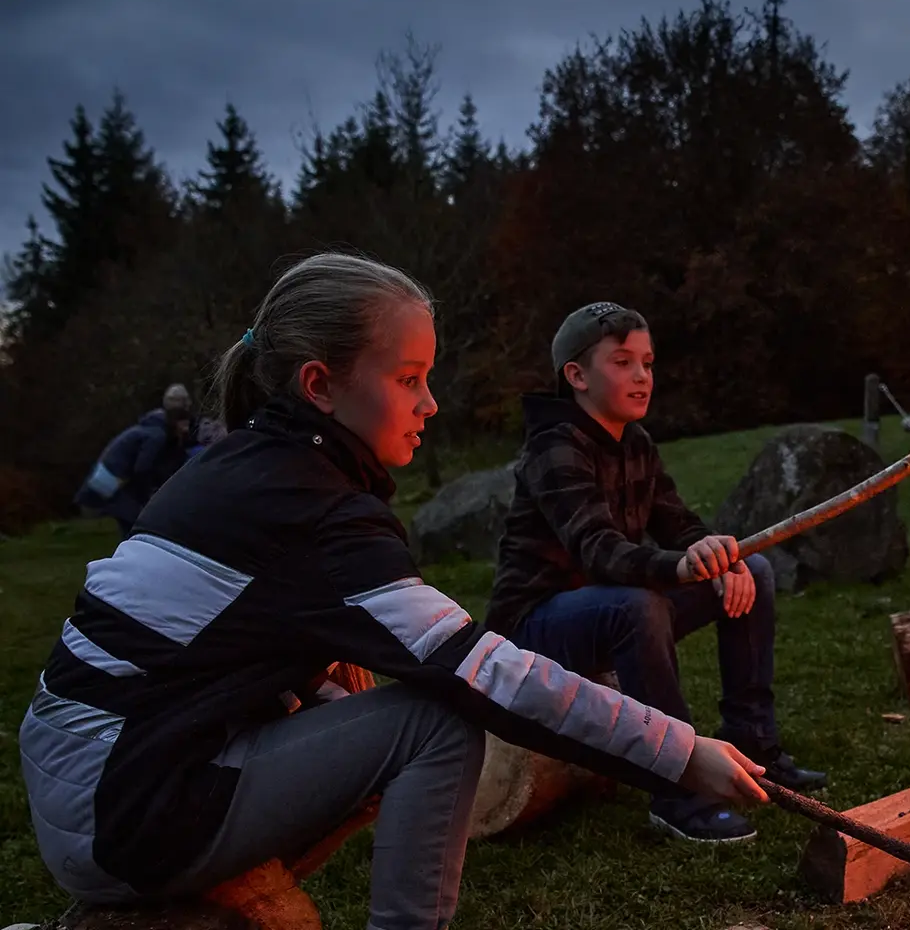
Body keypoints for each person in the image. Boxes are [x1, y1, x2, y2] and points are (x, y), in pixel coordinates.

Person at [18, 254, 765, 928]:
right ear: (320, 386)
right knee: (434, 723)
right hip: (120, 809)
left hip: (93, 778)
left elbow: (220, 648)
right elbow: (481, 671)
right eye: (409, 378)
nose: (431, 403)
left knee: (361, 687)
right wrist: (678, 750)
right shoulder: (314, 509)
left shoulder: (246, 468)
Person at [486, 301, 826, 844]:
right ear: (576, 375)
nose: (642, 375)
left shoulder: (635, 442)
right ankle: (677, 788)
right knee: (636, 604)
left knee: (755, 569)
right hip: (536, 629)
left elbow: (678, 523)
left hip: (606, 610)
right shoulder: (553, 447)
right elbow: (598, 548)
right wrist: (680, 567)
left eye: (647, 362)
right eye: (622, 362)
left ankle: (754, 746)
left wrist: (718, 559)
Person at [73, 383, 197, 536]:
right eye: (183, 424)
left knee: (133, 521)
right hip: (116, 482)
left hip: (113, 479)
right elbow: (142, 469)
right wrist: (148, 496)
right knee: (134, 523)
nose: (185, 429)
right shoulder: (156, 436)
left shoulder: (151, 428)